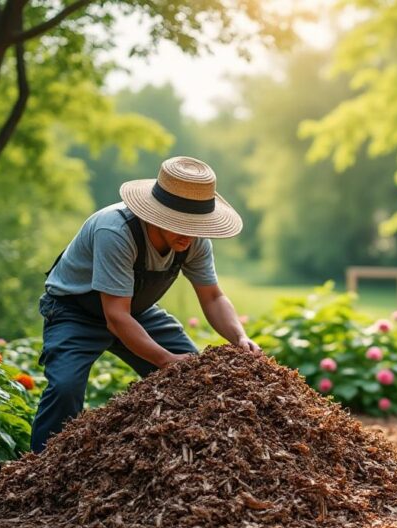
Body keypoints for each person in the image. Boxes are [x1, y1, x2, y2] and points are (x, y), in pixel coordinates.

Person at [30, 156, 260, 452]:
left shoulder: (194, 241)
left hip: (135, 312)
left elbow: (213, 296)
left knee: (195, 381)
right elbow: (115, 317)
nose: (189, 234)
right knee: (65, 389)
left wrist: (240, 337)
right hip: (74, 312)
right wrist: (165, 360)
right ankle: (40, 468)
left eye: (196, 225)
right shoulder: (115, 231)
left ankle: (177, 458)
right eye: (181, 224)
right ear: (157, 215)